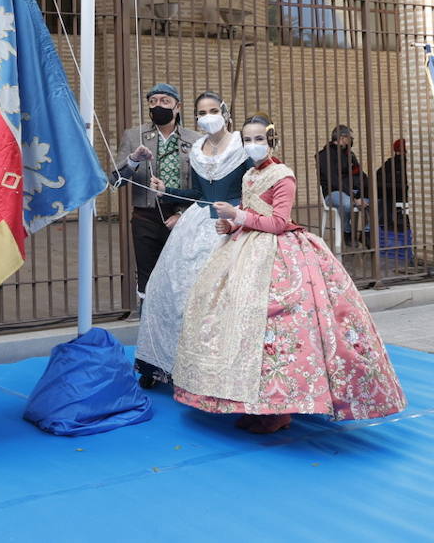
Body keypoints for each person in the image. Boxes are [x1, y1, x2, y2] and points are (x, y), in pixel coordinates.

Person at [172, 115, 406, 433]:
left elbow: (279, 222)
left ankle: (278, 409)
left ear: (271, 140)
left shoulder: (283, 176)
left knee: (279, 329)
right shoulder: (250, 174)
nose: (253, 145)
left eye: (259, 139)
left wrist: (238, 214)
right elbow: (250, 212)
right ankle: (247, 399)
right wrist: (230, 224)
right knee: (236, 321)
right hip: (243, 249)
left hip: (277, 254)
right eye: (247, 140)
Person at [133, 91, 251, 388]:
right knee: (167, 288)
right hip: (196, 224)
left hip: (231, 222)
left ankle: (216, 371)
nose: (208, 117)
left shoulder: (242, 145)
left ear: (224, 112)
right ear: (196, 118)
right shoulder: (197, 149)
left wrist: (241, 216)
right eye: (202, 113)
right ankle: (164, 363)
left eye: (213, 111)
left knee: (218, 296)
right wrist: (167, 191)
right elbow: (198, 194)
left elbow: (255, 188)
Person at [112, 83, 200, 305]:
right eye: (153, 101)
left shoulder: (195, 140)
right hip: (146, 217)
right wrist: (133, 160)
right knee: (147, 278)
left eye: (165, 101)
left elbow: (202, 187)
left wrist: (182, 214)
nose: (158, 105)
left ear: (178, 107)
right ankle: (147, 320)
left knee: (180, 276)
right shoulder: (134, 136)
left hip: (182, 217)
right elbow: (115, 180)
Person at [315, 124, 370, 242]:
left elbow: (360, 174)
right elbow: (334, 181)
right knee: (347, 203)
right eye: (351, 138)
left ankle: (367, 233)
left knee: (377, 202)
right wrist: (354, 197)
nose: (352, 141)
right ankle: (347, 231)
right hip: (333, 192)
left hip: (353, 191)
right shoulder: (324, 155)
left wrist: (362, 193)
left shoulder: (349, 155)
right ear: (342, 138)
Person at [375, 138, 409, 232]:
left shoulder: (391, 162)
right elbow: (378, 176)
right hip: (395, 194)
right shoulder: (391, 163)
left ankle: (382, 226)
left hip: (393, 195)